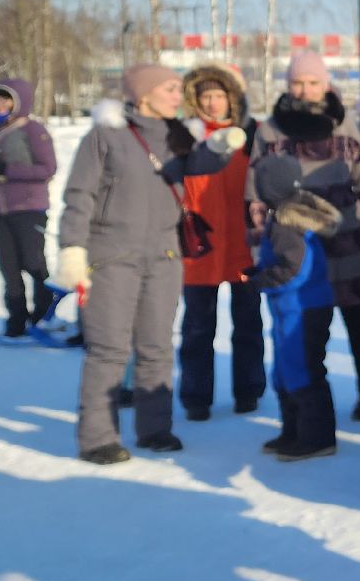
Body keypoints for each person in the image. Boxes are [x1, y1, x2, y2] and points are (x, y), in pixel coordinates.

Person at [54, 64, 246, 465]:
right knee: (110, 349)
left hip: (164, 256)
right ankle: (97, 438)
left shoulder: (177, 134)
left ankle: (155, 428)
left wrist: (221, 144)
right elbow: (79, 194)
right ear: (143, 94)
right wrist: (72, 248)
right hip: (112, 255)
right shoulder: (105, 135)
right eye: (170, 89)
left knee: (156, 346)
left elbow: (200, 164)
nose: (179, 96)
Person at [247, 51, 360, 422]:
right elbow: (256, 189)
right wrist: (263, 236)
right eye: (298, 82)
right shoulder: (272, 129)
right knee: (305, 325)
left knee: (355, 317)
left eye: (312, 82)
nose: (305, 90)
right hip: (294, 240)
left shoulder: (344, 124)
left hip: (344, 238)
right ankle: (308, 403)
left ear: (325, 84)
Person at [178, 65, 266, 420]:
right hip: (199, 244)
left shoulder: (253, 133)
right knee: (197, 327)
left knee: (248, 323)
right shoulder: (185, 135)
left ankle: (249, 390)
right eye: (206, 96)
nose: (213, 103)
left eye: (219, 95)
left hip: (245, 243)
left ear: (233, 98)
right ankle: (196, 397)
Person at [248, 154, 341, 463]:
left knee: (302, 369)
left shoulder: (288, 223)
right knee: (285, 370)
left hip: (302, 308)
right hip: (291, 308)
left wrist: (261, 280)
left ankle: (316, 437)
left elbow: (294, 270)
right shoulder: (286, 215)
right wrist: (258, 272)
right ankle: (293, 430)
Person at [0, 77, 59, 342]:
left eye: (6, 99)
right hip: (0, 207)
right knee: (8, 267)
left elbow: (48, 169)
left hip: (29, 205)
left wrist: (7, 170)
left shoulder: (33, 130)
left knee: (34, 263)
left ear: (19, 101)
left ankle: (44, 316)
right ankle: (16, 320)